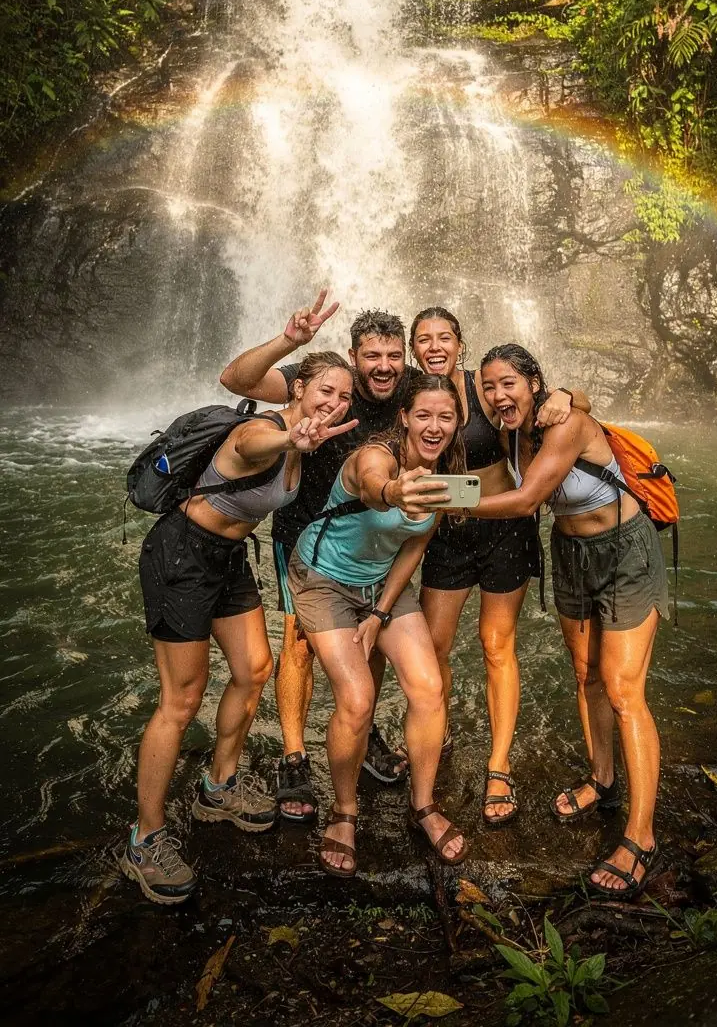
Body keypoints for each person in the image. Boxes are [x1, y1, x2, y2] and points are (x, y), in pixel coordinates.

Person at [121, 324, 356, 906]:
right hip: (182, 554)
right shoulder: (263, 430)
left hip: (226, 559)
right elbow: (250, 446)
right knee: (181, 699)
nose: (333, 403)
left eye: (343, 396)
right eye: (324, 391)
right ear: (297, 388)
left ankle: (217, 786)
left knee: (254, 669)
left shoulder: (306, 440)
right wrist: (290, 438)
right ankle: (145, 839)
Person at [470, 343, 670, 899]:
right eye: (489, 386)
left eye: (508, 383)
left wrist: (444, 505)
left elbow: (525, 499)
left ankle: (641, 835)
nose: (498, 395)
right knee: (587, 675)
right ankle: (603, 780)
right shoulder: (513, 433)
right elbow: (509, 478)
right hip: (570, 554)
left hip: (624, 551)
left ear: (534, 383)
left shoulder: (567, 423)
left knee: (625, 690)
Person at [220, 305, 425, 822]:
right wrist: (289, 340)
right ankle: (293, 757)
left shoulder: (408, 388)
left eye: (393, 356)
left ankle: (363, 730)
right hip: (305, 534)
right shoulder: (327, 381)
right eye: (372, 356)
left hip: (373, 540)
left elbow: (466, 394)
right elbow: (235, 380)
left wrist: (567, 398)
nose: (384, 366)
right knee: (299, 643)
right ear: (354, 357)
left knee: (369, 635)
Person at [409, 308, 585, 826]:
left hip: (505, 528)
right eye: (424, 339)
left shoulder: (486, 391)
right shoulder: (411, 395)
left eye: (444, 337)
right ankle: (436, 732)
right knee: (434, 645)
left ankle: (499, 765)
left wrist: (568, 395)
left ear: (460, 344)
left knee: (496, 644)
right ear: (413, 349)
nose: (435, 346)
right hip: (448, 534)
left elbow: (549, 399)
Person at [287, 373, 467, 878]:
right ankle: (345, 810)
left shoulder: (445, 473)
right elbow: (372, 487)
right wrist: (393, 490)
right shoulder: (375, 457)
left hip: (380, 582)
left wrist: (380, 613)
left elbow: (414, 545)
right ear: (404, 417)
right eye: (424, 415)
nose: (434, 427)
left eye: (446, 417)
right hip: (322, 579)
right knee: (358, 698)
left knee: (428, 687)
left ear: (457, 423)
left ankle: (423, 805)